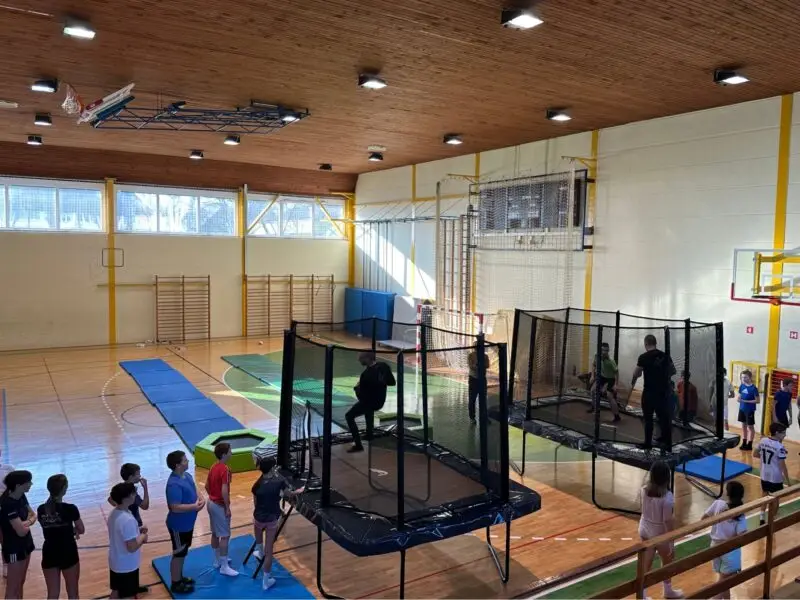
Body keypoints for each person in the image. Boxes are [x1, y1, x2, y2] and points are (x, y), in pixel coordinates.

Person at [251, 457, 304, 591]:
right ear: (272, 469)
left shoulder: (256, 485)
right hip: (271, 520)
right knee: (269, 552)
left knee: (259, 540)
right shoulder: (279, 482)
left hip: (258, 518)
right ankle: (266, 581)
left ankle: (259, 552)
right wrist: (299, 491)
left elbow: (256, 503)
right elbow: (289, 494)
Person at [637, 461, 683, 599]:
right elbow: (667, 521)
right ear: (667, 478)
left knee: (646, 565)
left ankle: (642, 595)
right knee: (667, 561)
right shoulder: (667, 498)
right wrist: (671, 543)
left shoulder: (643, 490)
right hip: (659, 533)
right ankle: (667, 590)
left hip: (645, 529)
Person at [37, 474, 84, 599]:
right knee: (73, 593)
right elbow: (81, 529)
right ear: (64, 489)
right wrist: (71, 530)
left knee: (52, 594)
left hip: (49, 552)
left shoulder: (41, 509)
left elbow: (50, 527)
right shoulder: (70, 509)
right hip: (68, 551)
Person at [165, 450, 205, 594]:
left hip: (188, 523)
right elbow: (174, 507)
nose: (188, 461)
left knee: (183, 552)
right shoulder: (173, 485)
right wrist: (194, 507)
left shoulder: (186, 475)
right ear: (177, 465)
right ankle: (175, 583)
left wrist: (201, 497)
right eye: (185, 460)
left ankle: (179, 577)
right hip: (178, 526)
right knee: (178, 554)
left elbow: (194, 487)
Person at [702, 481, 746, 600]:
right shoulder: (740, 513)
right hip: (729, 550)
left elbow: (703, 519)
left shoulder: (718, 503)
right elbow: (742, 536)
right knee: (722, 584)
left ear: (727, 493)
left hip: (715, 547)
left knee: (725, 583)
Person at [631, 334, 676, 450]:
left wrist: (635, 379)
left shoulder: (643, 357)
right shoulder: (665, 355)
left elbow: (636, 373)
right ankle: (667, 443)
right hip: (662, 392)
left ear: (646, 344)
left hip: (649, 392)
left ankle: (648, 444)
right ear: (655, 343)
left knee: (648, 419)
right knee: (663, 418)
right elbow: (673, 371)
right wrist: (661, 375)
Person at [346, 352, 395, 453]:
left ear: (368, 358)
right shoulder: (383, 366)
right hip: (379, 401)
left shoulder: (366, 374)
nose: (359, 360)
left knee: (349, 416)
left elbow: (362, 397)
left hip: (370, 402)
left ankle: (358, 445)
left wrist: (357, 389)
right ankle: (369, 434)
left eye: (361, 358)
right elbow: (392, 382)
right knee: (368, 408)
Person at [107, 482, 147, 599]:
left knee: (116, 592)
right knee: (127, 596)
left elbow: (121, 534)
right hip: (127, 566)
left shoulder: (115, 513)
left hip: (116, 561)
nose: (135, 495)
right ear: (126, 498)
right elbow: (132, 547)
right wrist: (143, 536)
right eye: (133, 493)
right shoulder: (127, 519)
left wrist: (137, 530)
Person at [0, 471, 35, 600]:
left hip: (26, 544)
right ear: (19, 485)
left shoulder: (21, 495)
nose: (31, 484)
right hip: (13, 548)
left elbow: (33, 514)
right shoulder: (7, 503)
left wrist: (25, 523)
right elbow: (21, 531)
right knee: (12, 588)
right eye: (28, 482)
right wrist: (29, 522)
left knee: (20, 582)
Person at [205, 442, 238, 576]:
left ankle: (217, 560)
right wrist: (227, 507)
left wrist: (213, 496)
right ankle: (224, 567)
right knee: (224, 536)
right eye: (230, 451)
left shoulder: (213, 466)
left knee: (215, 533)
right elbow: (225, 490)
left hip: (210, 503)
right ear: (224, 454)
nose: (232, 453)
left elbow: (206, 486)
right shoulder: (225, 469)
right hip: (219, 505)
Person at [753, 422, 790, 526]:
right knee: (776, 499)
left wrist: (767, 458)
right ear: (777, 433)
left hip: (764, 474)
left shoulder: (763, 440)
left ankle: (761, 516)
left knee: (764, 494)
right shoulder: (780, 447)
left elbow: (755, 454)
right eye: (783, 433)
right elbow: (783, 466)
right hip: (775, 477)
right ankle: (772, 520)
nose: (785, 435)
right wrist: (788, 481)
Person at [586, 342, 621, 423]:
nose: (604, 352)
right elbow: (594, 365)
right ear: (600, 350)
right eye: (603, 350)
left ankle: (617, 416)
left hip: (610, 378)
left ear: (608, 351)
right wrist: (592, 376)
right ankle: (594, 408)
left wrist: (616, 385)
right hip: (602, 377)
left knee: (609, 396)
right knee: (592, 390)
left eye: (606, 350)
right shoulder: (597, 355)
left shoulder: (611, 361)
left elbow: (616, 373)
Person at [0, 450, 15, 579]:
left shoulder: (8, 469)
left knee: (6, 538)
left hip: (7, 508)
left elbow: (16, 489)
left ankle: (7, 563)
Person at [467, 346, 491, 424]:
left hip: (482, 379)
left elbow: (487, 365)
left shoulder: (485, 356)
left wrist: (480, 365)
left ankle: (484, 417)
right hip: (473, 379)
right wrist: (478, 365)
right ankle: (472, 417)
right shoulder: (471, 355)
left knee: (483, 400)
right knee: (472, 399)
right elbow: (471, 366)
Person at [737, 370, 759, 451]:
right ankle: (744, 442)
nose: (743, 379)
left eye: (745, 377)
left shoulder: (754, 388)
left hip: (750, 410)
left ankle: (750, 444)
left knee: (750, 427)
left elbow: (757, 400)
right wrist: (739, 398)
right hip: (742, 409)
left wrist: (745, 401)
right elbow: (740, 396)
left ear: (750, 377)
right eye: (742, 377)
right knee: (743, 426)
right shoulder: (742, 386)